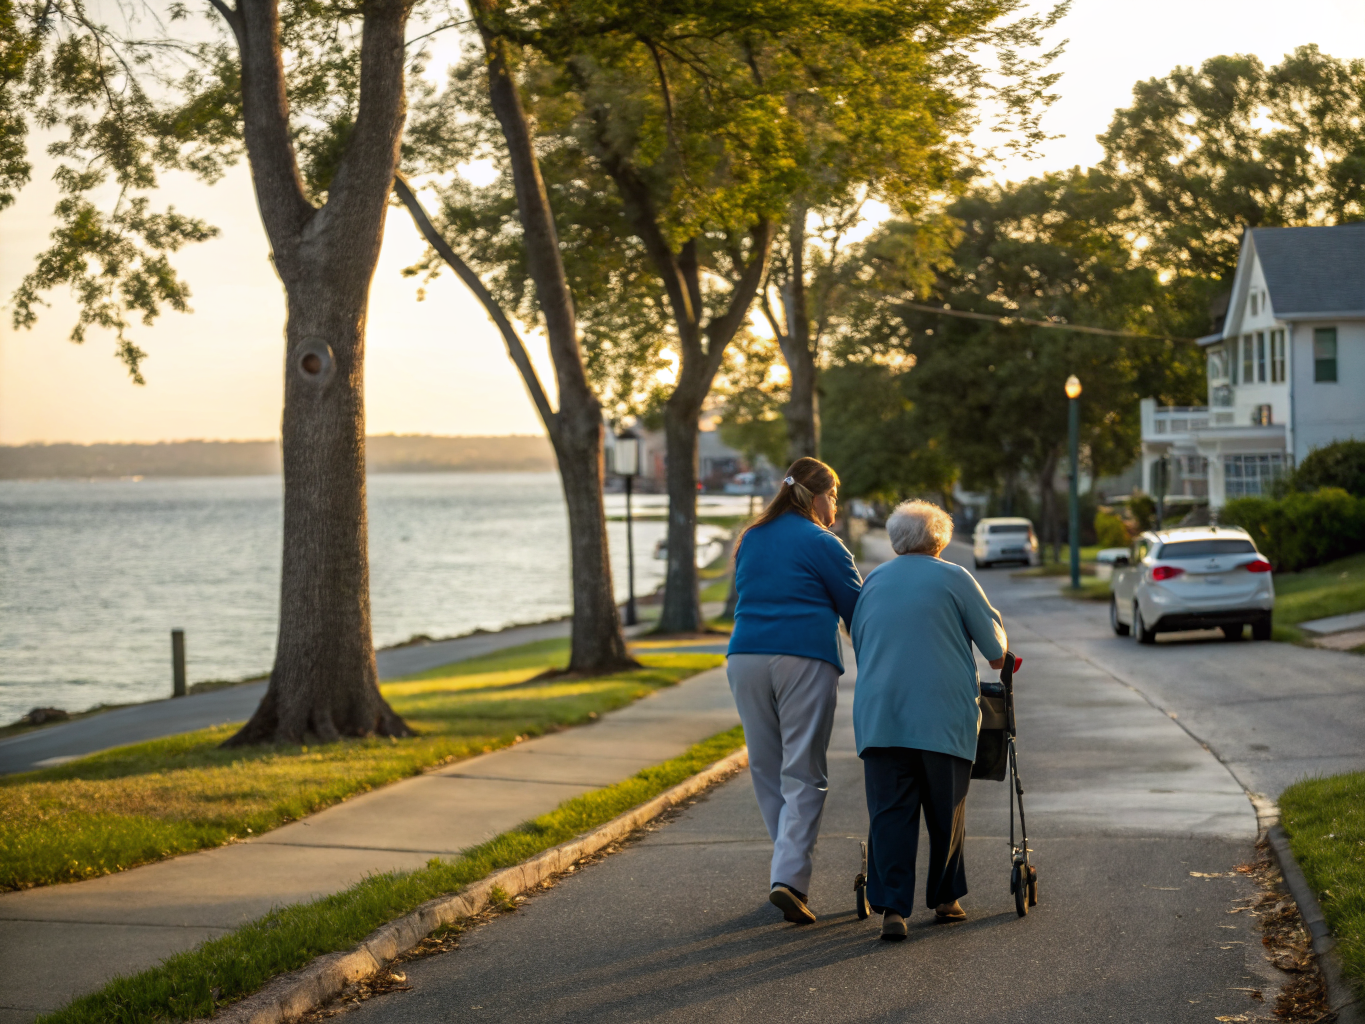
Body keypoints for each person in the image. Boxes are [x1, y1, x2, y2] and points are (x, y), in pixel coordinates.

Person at [851, 499, 1009, 941]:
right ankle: (944, 899)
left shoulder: (874, 581)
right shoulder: (955, 578)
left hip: (881, 714)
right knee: (946, 811)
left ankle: (893, 909)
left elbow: (863, 644)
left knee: (889, 814)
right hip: (943, 714)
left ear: (896, 540)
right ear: (939, 539)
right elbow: (997, 655)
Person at [726, 457, 862, 924]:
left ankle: (785, 870)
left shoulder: (752, 537)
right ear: (819, 496)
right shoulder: (824, 542)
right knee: (803, 771)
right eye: (835, 497)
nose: (836, 506)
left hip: (744, 657)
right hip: (802, 657)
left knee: (766, 768)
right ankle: (787, 878)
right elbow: (856, 611)